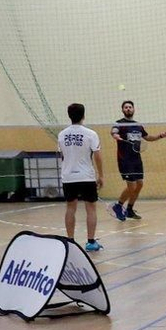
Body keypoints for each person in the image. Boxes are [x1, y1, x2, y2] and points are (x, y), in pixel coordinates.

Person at [109, 100, 166, 221]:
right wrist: (115, 135)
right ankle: (118, 206)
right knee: (131, 186)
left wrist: (160, 136)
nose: (128, 109)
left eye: (130, 107)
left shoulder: (138, 125)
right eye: (126, 107)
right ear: (122, 110)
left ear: (133, 109)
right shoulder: (119, 123)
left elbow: (148, 137)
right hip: (125, 160)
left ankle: (129, 209)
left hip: (136, 159)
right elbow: (114, 130)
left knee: (140, 184)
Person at [57, 103, 104, 253]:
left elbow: (62, 155)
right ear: (83, 116)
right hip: (86, 177)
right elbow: (97, 156)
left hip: (68, 177)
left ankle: (70, 241)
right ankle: (91, 242)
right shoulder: (91, 134)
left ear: (69, 116)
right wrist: (101, 175)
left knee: (70, 208)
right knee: (91, 208)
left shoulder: (62, 135)